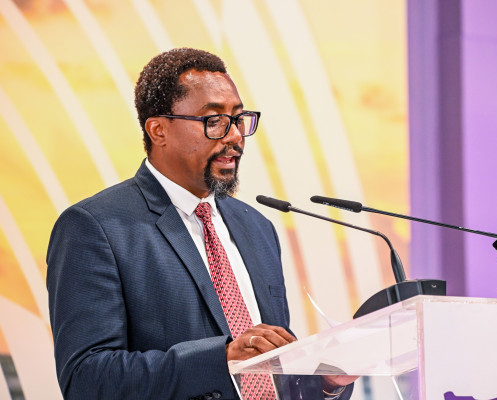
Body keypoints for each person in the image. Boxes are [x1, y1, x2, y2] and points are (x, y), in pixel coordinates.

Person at [46, 48, 354, 399]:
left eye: (238, 119)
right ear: (158, 130)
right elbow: (86, 379)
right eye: (214, 120)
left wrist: (326, 382)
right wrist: (221, 360)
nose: (235, 136)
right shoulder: (95, 228)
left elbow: (273, 372)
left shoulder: (257, 227)